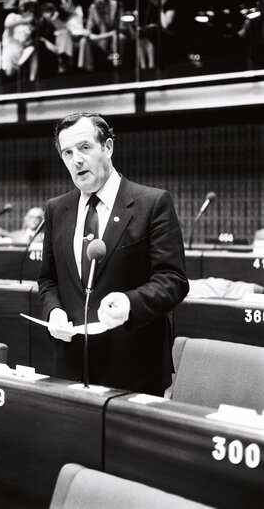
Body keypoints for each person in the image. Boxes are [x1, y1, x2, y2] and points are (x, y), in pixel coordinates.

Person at [38, 112, 189, 395]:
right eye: (67, 152)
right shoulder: (57, 209)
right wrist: (53, 310)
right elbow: (48, 281)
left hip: (133, 367)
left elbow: (173, 280)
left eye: (84, 148)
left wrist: (130, 302)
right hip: (70, 366)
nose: (76, 159)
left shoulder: (152, 203)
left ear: (107, 147)